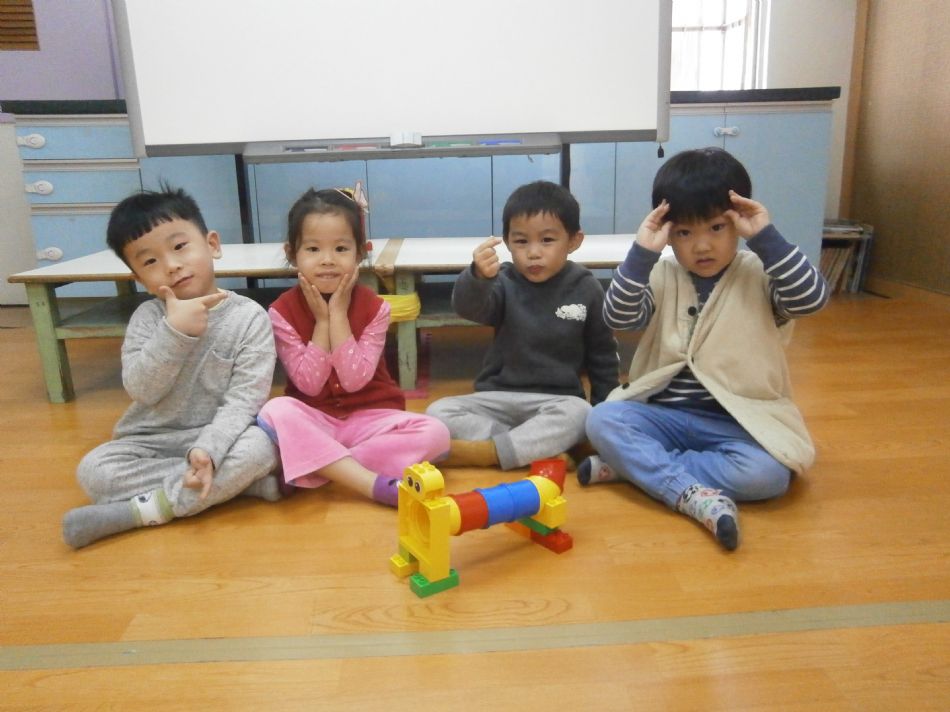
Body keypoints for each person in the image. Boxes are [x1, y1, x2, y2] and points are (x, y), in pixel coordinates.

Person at [581, 147, 829, 551]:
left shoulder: (760, 273)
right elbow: (619, 317)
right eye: (684, 233)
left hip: (739, 422)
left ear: (739, 223)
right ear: (668, 233)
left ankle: (636, 467)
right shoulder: (663, 273)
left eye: (716, 228)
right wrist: (643, 254)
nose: (701, 246)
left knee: (768, 476)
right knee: (602, 419)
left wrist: (765, 237)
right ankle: (683, 489)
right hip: (664, 415)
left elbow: (811, 299)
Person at [62, 187, 280, 549]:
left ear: (212, 245)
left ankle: (144, 510)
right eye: (150, 261)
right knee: (94, 470)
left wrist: (208, 450)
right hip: (150, 441)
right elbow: (142, 390)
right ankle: (234, 486)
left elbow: (245, 401)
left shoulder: (249, 317)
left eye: (179, 246)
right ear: (139, 278)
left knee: (263, 447)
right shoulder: (148, 319)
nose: (171, 265)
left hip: (219, 438)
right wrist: (175, 333)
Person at [257, 187, 449, 506]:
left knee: (436, 432)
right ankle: (364, 480)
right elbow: (309, 384)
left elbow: (353, 380)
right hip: (315, 421)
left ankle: (319, 466)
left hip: (370, 420)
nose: (327, 260)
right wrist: (322, 323)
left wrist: (338, 317)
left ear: (361, 252)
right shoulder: (281, 312)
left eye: (341, 248)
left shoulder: (377, 308)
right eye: (313, 249)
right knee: (274, 411)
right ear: (292, 253)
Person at [426, 180, 619, 470]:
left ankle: (490, 453)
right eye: (521, 241)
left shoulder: (586, 287)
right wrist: (477, 277)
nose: (533, 253)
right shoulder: (503, 281)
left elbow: (602, 356)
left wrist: (603, 415)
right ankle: (536, 448)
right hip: (497, 398)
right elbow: (469, 308)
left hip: (558, 401)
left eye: (547, 240)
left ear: (573, 241)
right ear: (507, 242)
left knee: (581, 414)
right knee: (438, 411)